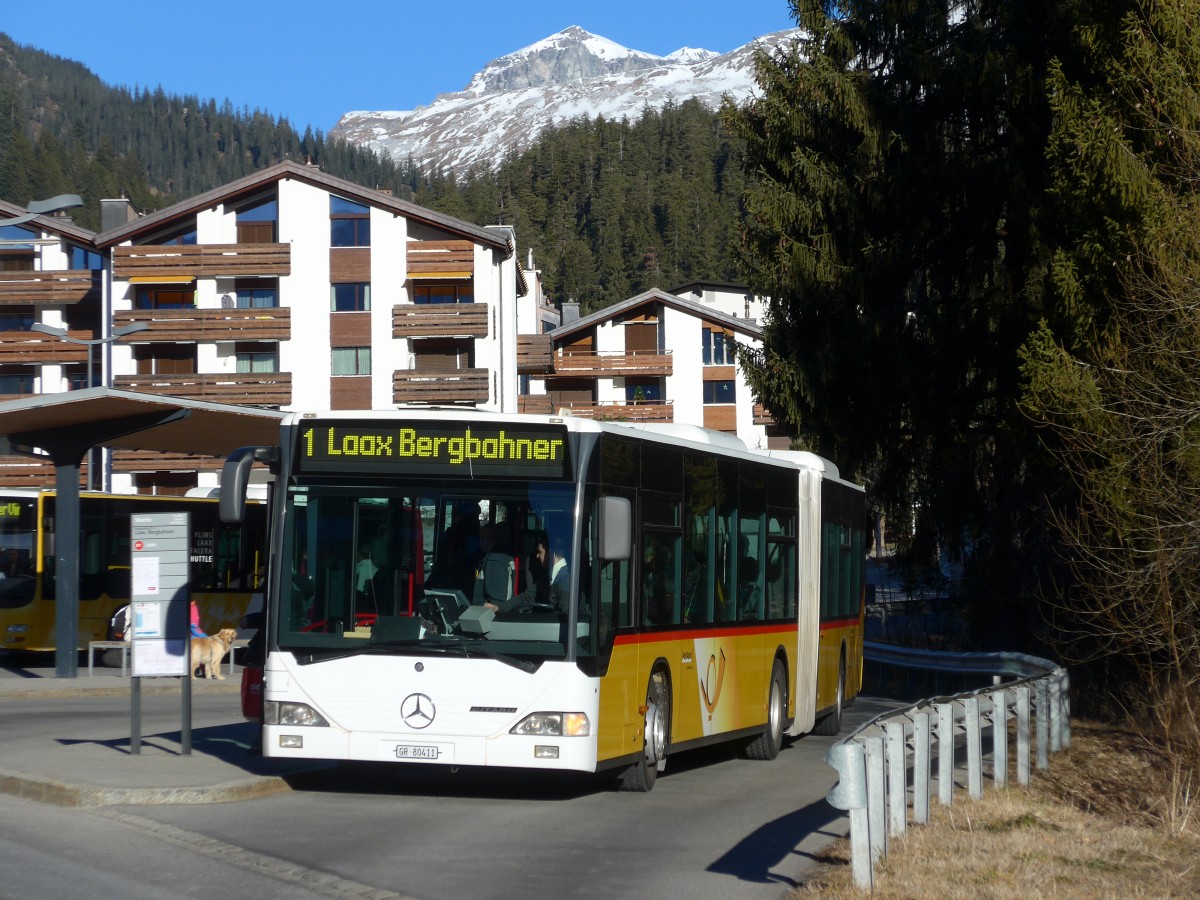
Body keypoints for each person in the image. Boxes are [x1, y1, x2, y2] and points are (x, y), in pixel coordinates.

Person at [473, 523, 515, 607]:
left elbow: (497, 600)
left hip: (488, 613)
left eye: (481, 537)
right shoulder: (500, 556)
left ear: (484, 538)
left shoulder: (496, 559)